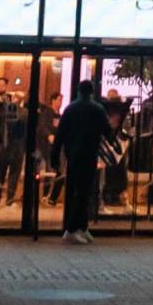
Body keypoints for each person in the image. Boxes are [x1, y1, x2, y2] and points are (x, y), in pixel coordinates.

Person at [54, 81, 110, 242]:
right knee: (84, 192)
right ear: (91, 92)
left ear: (78, 91)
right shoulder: (98, 109)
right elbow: (107, 131)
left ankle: (81, 227)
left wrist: (55, 155)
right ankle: (72, 229)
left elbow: (60, 134)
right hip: (89, 153)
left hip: (72, 154)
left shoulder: (70, 109)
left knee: (75, 190)